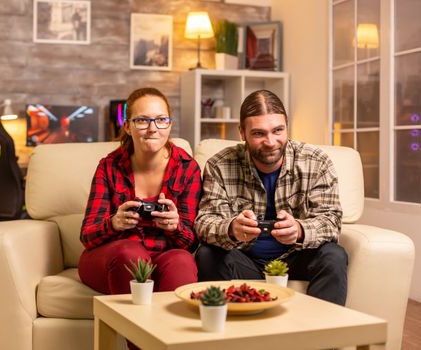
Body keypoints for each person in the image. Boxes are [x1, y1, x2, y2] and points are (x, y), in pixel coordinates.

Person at [194, 89, 347, 305]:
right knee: (207, 255)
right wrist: (232, 228)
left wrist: (300, 230)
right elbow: (204, 222)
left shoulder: (316, 161)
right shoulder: (219, 165)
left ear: (287, 128)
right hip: (245, 258)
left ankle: (320, 337)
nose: (271, 141)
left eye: (278, 130)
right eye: (259, 133)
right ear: (242, 132)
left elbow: (331, 220)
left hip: (296, 257)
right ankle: (227, 335)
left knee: (334, 255)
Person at [78, 87, 201, 298]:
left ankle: (167, 331)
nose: (152, 129)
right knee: (130, 254)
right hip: (113, 258)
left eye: (161, 120)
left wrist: (174, 226)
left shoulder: (187, 168)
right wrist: (114, 223)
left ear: (169, 125)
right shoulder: (109, 167)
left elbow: (190, 243)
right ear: (127, 126)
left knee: (182, 261)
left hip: (163, 257)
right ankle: (129, 330)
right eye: (142, 120)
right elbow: (87, 236)